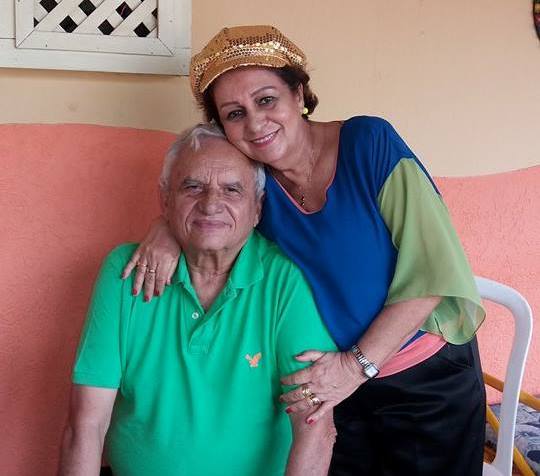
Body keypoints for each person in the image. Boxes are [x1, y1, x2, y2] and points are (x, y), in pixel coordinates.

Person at [123, 26, 487, 475]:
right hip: (331, 388)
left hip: (424, 383)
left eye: (266, 100)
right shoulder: (256, 190)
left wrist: (354, 368)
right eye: (234, 114)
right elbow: (208, 213)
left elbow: (432, 272)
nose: (255, 123)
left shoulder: (369, 144)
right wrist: (165, 227)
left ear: (298, 94)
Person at [58, 124, 338, 476]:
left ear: (257, 207)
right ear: (165, 200)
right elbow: (86, 425)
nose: (210, 204)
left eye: (232, 189)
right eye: (193, 187)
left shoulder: (285, 282)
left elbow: (315, 428)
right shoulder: (125, 271)